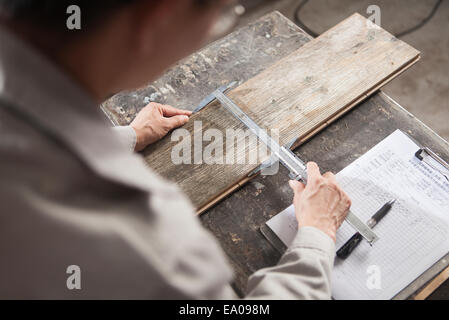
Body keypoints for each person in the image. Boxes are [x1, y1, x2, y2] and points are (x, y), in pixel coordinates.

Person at [0, 0, 351, 299]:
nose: (216, 25)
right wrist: (317, 236)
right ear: (160, 17)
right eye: (223, 13)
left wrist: (131, 136)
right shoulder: (147, 241)